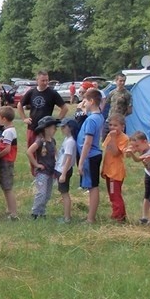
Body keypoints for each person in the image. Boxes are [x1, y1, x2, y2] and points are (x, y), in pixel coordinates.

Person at [18, 71, 69, 149]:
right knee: (31, 150)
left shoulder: (52, 93)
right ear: (37, 80)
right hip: (32, 127)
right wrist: (24, 118)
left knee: (44, 152)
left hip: (46, 128)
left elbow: (64, 108)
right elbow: (20, 105)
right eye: (43, 80)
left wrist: (56, 122)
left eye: (47, 80)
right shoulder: (31, 92)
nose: (45, 83)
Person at [77, 89, 105, 223]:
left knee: (93, 187)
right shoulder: (98, 116)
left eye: (86, 101)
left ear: (92, 101)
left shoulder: (91, 120)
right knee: (91, 186)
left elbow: (87, 142)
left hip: (90, 156)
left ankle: (91, 218)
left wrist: (81, 162)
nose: (84, 103)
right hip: (93, 155)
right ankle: (90, 215)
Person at [26, 116, 60, 219]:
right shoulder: (40, 141)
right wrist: (36, 165)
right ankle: (35, 212)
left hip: (50, 171)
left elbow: (55, 152)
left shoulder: (52, 141)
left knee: (48, 193)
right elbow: (29, 152)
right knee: (41, 192)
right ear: (46, 128)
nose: (55, 129)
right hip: (42, 171)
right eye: (53, 127)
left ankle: (42, 211)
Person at [125, 131, 150, 225]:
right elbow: (127, 156)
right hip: (149, 174)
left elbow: (137, 160)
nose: (136, 148)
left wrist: (132, 153)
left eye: (137, 145)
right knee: (146, 196)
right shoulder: (141, 149)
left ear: (145, 142)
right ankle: (144, 217)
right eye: (134, 146)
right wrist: (130, 151)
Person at [102, 113, 129, 223]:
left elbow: (115, 152)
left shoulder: (124, 138)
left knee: (115, 194)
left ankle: (118, 216)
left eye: (115, 125)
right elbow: (106, 149)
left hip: (115, 172)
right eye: (111, 125)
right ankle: (117, 213)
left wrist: (113, 138)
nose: (112, 128)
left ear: (122, 126)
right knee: (111, 194)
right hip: (108, 169)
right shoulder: (109, 136)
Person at [0, 106, 19, 220]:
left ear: (4, 119)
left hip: (6, 161)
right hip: (6, 161)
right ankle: (9, 209)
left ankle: (13, 213)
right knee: (5, 186)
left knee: (7, 187)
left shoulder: (8, 132)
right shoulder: (8, 130)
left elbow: (7, 149)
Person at [56, 118, 78, 224]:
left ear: (70, 128)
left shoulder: (70, 142)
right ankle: (66, 216)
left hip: (63, 170)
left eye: (64, 127)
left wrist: (63, 174)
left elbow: (68, 159)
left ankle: (67, 217)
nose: (61, 129)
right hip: (61, 169)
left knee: (65, 195)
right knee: (63, 193)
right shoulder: (67, 139)